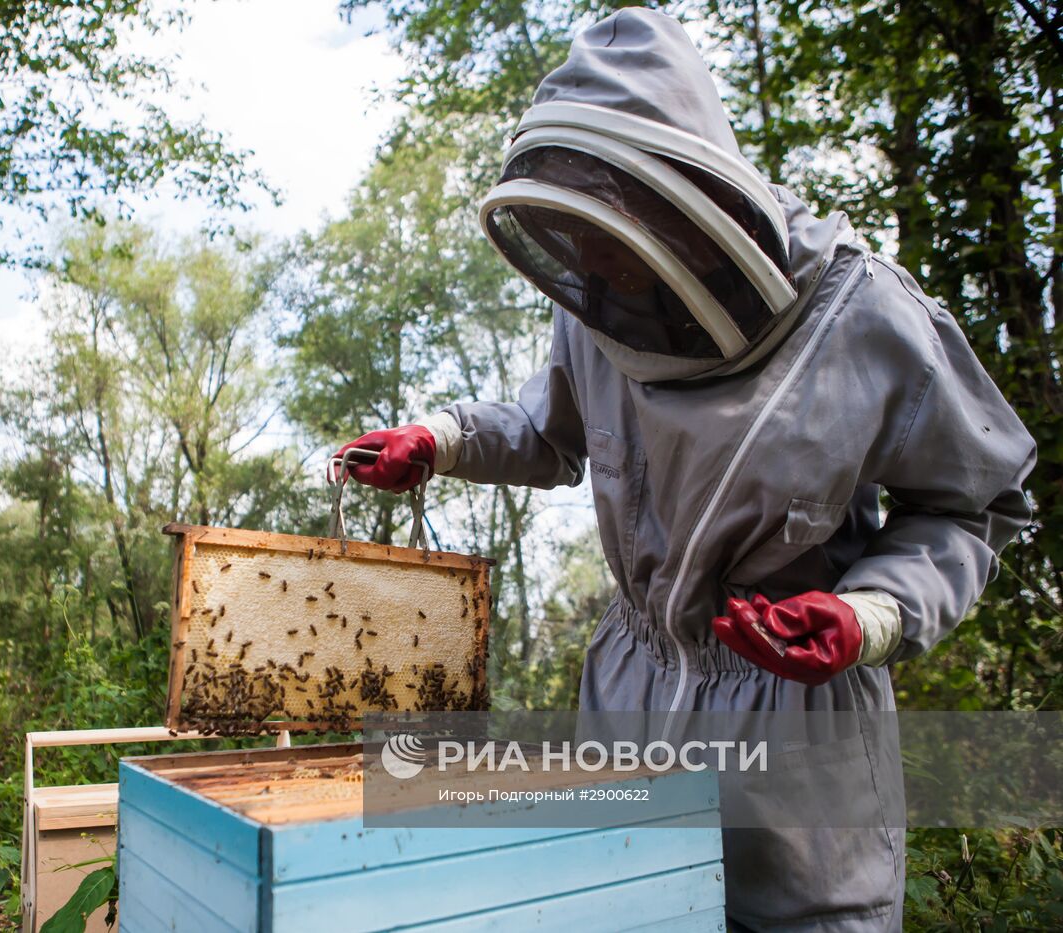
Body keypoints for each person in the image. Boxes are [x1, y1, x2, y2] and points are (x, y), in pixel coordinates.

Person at [334, 8, 1036, 931]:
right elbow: (555, 429)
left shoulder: (867, 318)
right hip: (628, 699)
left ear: (684, 195)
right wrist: (446, 439)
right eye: (584, 251)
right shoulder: (601, 296)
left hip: (795, 727)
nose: (599, 274)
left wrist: (871, 613)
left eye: (610, 247)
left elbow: (976, 503)